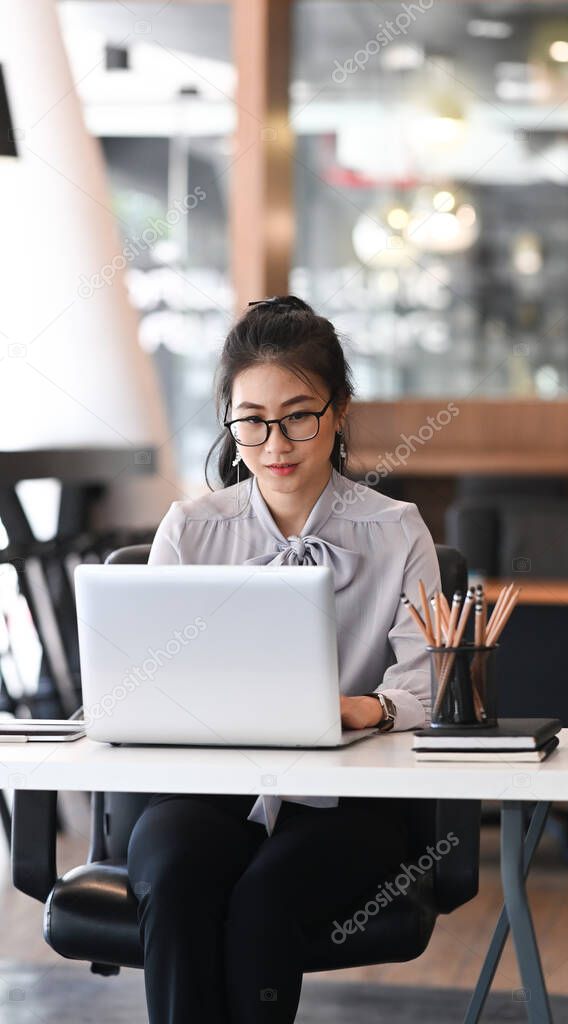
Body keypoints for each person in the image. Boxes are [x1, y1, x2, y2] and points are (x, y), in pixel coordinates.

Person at [127, 295, 441, 1023]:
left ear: (337, 411)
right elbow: (149, 683)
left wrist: (364, 707)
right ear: (229, 422)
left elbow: (427, 681)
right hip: (205, 791)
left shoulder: (396, 532)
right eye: (251, 420)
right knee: (176, 880)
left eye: (298, 414)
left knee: (265, 899)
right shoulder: (191, 529)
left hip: (348, 802)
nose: (275, 442)